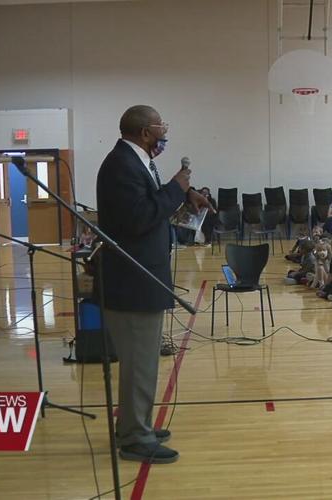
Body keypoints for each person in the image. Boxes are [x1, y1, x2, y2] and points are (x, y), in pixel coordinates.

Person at [96, 105, 214, 464]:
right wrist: (176, 188)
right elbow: (138, 219)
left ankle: (135, 424)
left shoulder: (135, 160)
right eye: (161, 124)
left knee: (141, 362)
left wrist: (183, 195)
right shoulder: (121, 164)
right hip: (133, 281)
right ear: (146, 131)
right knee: (140, 363)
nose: (166, 129)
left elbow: (147, 208)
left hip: (142, 277)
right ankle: (135, 438)